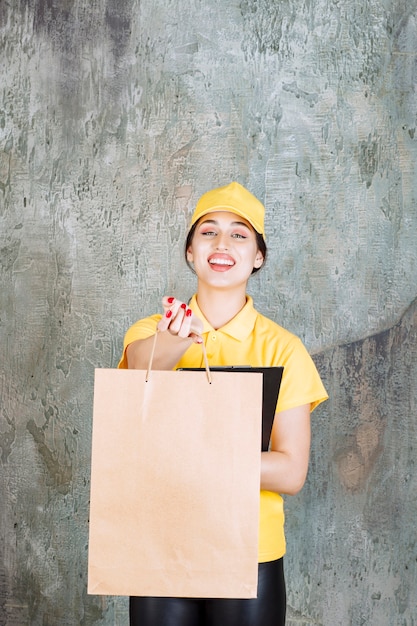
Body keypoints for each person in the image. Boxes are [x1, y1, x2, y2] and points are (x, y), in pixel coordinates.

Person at [118, 181, 328, 626]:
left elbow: (291, 471)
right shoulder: (150, 331)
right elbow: (137, 375)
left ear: (258, 257)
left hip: (250, 551)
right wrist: (175, 339)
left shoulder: (284, 350)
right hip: (161, 544)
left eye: (239, 234)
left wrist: (198, 460)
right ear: (191, 251)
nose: (222, 243)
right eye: (208, 231)